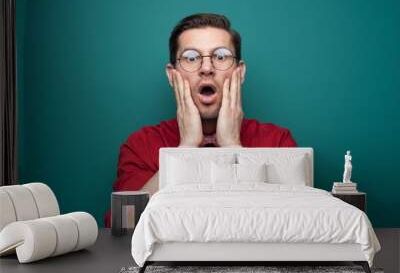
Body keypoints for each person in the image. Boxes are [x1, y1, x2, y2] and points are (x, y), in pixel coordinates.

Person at [104, 13, 297, 227]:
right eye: (191, 58)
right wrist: (185, 149)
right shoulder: (140, 145)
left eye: (221, 56)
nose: (206, 68)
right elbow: (123, 224)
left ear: (239, 73)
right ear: (172, 75)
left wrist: (233, 147)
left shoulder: (278, 142)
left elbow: (292, 223)